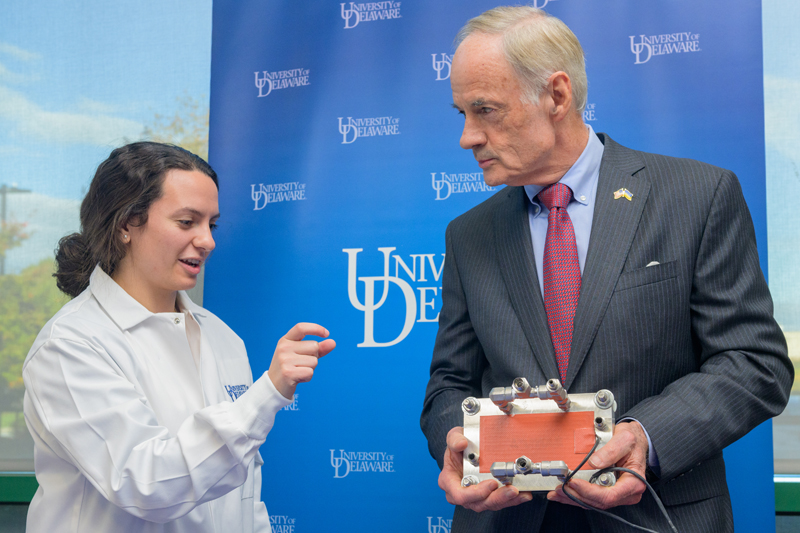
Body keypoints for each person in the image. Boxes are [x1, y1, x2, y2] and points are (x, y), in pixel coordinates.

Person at [420, 6, 793, 532]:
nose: (468, 137)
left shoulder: (696, 197)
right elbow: (449, 384)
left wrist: (644, 436)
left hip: (657, 517)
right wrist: (457, 440)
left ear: (556, 95)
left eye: (486, 110)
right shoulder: (469, 235)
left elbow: (754, 362)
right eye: (462, 113)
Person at [22, 142, 335, 533]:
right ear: (125, 225)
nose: (208, 241)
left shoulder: (222, 337)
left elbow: (245, 498)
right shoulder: (70, 346)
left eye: (212, 224)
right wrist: (266, 394)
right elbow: (145, 484)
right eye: (187, 222)